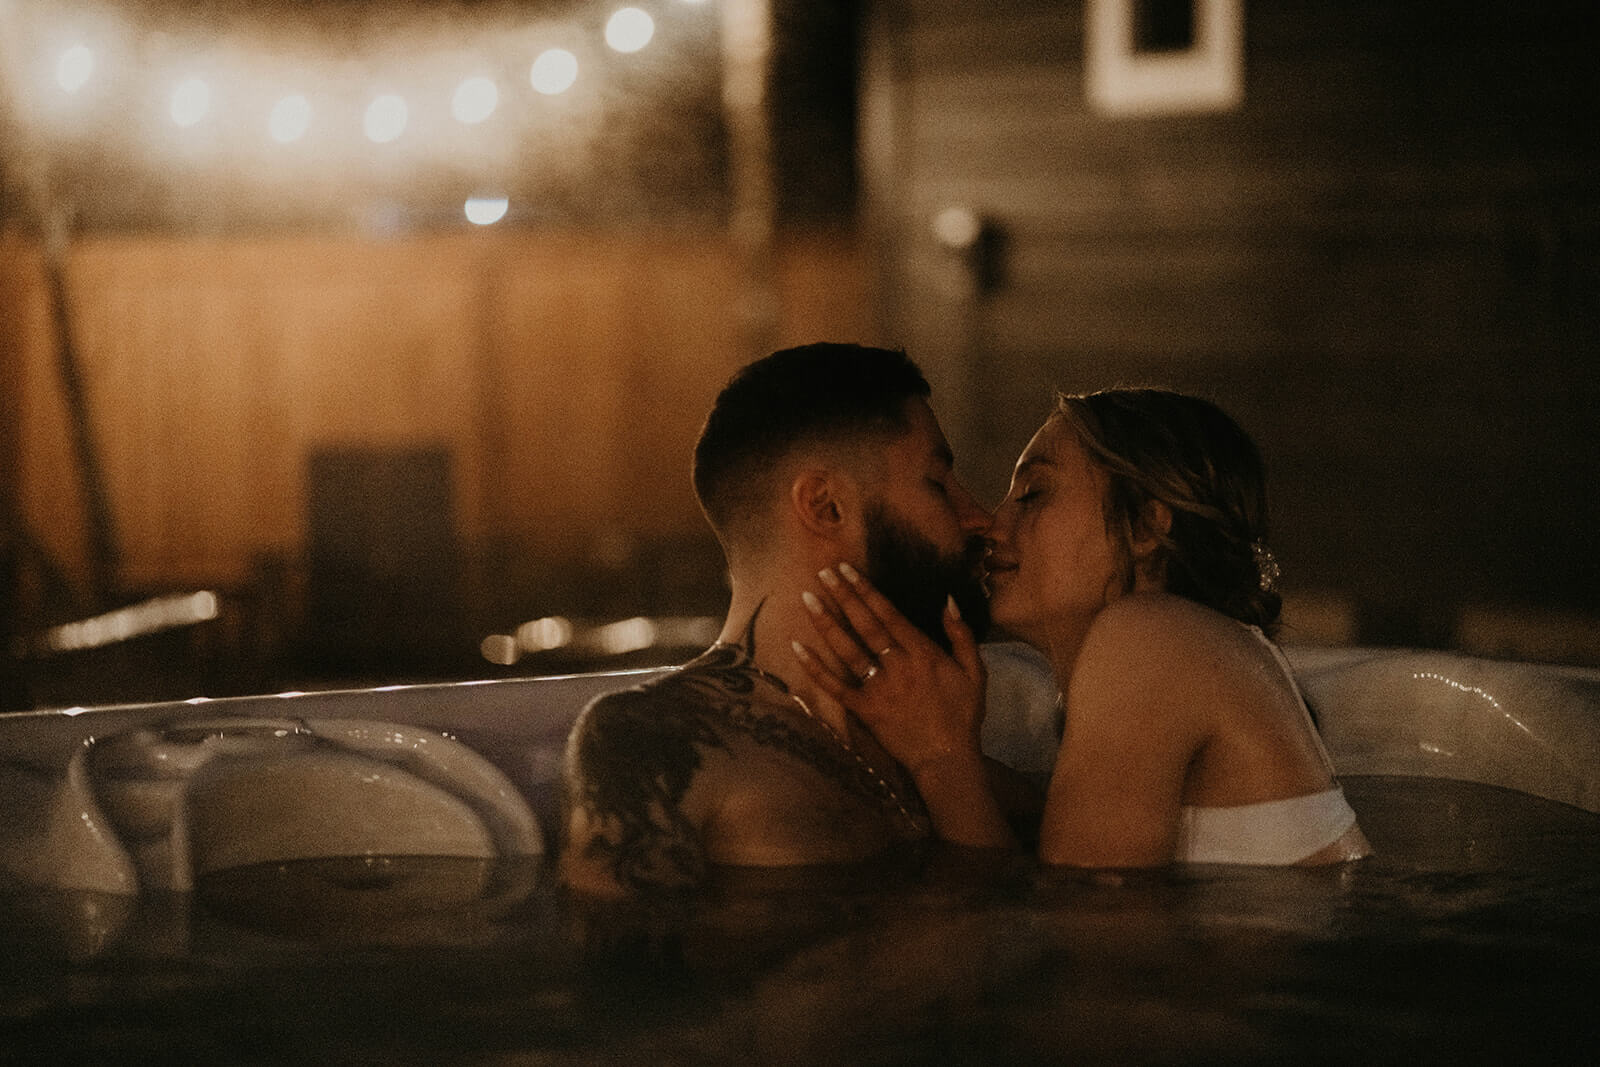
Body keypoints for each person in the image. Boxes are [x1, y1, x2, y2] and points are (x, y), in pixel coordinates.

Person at [794, 388, 1371, 867]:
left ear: (1147, 528)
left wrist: (942, 761)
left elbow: (1076, 940)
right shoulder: (1188, 647)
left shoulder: (1150, 638)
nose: (994, 524)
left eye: (1034, 493)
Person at [559, 343, 1007, 897]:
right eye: (938, 484)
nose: (980, 518)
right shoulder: (647, 738)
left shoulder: (932, 735)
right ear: (824, 505)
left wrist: (950, 766)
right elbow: (631, 979)